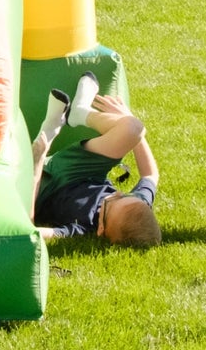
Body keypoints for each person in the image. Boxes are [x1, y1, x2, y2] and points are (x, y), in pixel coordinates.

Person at [29, 72, 161, 247]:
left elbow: (29, 231)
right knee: (134, 129)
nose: (118, 193)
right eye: (125, 196)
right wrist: (129, 120)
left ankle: (48, 131)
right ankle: (80, 112)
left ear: (101, 229)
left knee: (23, 208)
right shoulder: (137, 205)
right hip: (83, 170)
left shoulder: (83, 225)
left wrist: (37, 164)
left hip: (46, 187)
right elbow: (151, 175)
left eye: (114, 202)